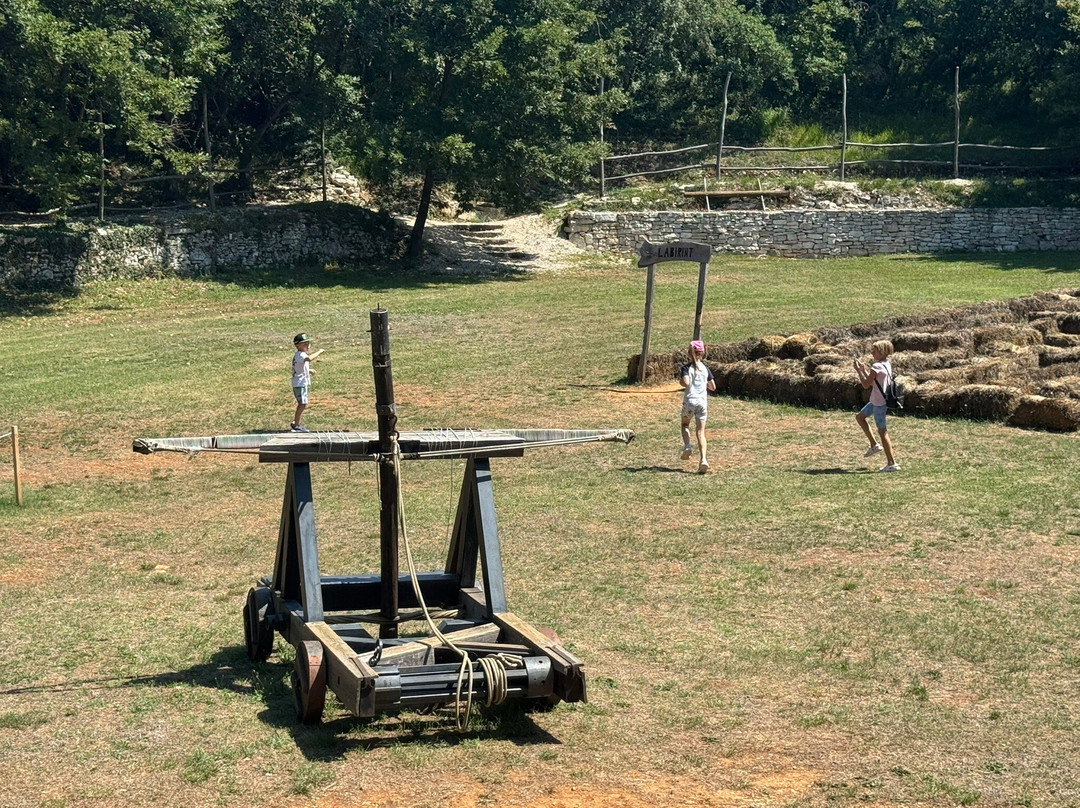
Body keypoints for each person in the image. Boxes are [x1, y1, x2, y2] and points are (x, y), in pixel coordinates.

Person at [854, 339, 899, 472]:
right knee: (860, 417)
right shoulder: (886, 364)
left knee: (882, 431)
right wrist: (864, 371)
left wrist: (859, 371)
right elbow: (875, 382)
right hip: (877, 400)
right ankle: (874, 445)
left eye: (875, 350)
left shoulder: (876, 366)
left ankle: (892, 463)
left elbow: (866, 384)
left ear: (882, 352)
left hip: (878, 403)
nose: (872, 352)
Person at [679, 339, 717, 474]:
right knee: (701, 432)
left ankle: (688, 446)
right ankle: (704, 460)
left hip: (690, 401)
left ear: (690, 353)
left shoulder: (686, 368)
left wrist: (681, 382)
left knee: (684, 425)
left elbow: (686, 383)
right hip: (702, 403)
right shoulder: (705, 369)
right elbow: (713, 387)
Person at [290, 333, 322, 432]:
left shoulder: (299, 355)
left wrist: (309, 370)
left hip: (299, 382)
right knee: (302, 404)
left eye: (308, 343)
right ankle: (296, 425)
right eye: (304, 344)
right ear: (297, 345)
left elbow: (299, 368)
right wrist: (319, 352)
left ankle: (296, 422)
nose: (307, 346)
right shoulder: (301, 354)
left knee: (302, 403)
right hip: (300, 383)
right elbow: (309, 359)